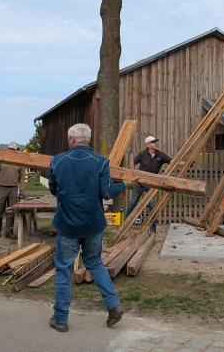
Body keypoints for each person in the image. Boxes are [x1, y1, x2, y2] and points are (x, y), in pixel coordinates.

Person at [48, 123, 138, 332]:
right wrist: (126, 184)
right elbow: (106, 193)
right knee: (95, 264)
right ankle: (113, 305)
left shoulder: (57, 161)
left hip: (67, 225)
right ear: (88, 140)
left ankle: (60, 319)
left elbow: (53, 188)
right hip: (92, 225)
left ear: (71, 140)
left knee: (64, 270)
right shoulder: (101, 162)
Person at [125, 136, 172, 232]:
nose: (155, 143)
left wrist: (185, 163)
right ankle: (125, 224)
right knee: (132, 203)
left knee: (152, 205)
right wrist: (133, 173)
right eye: (153, 142)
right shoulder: (142, 154)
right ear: (148, 145)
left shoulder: (160, 155)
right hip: (139, 183)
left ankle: (152, 229)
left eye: (155, 142)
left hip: (151, 185)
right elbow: (132, 161)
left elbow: (172, 161)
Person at [0, 141, 26, 239]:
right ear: (8, 149)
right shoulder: (1, 158)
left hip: (13, 189)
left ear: (16, 150)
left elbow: (22, 178)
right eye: (10, 149)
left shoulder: (20, 161)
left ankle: (8, 232)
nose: (12, 151)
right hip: (1, 187)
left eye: (13, 150)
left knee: (11, 212)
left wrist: (22, 190)